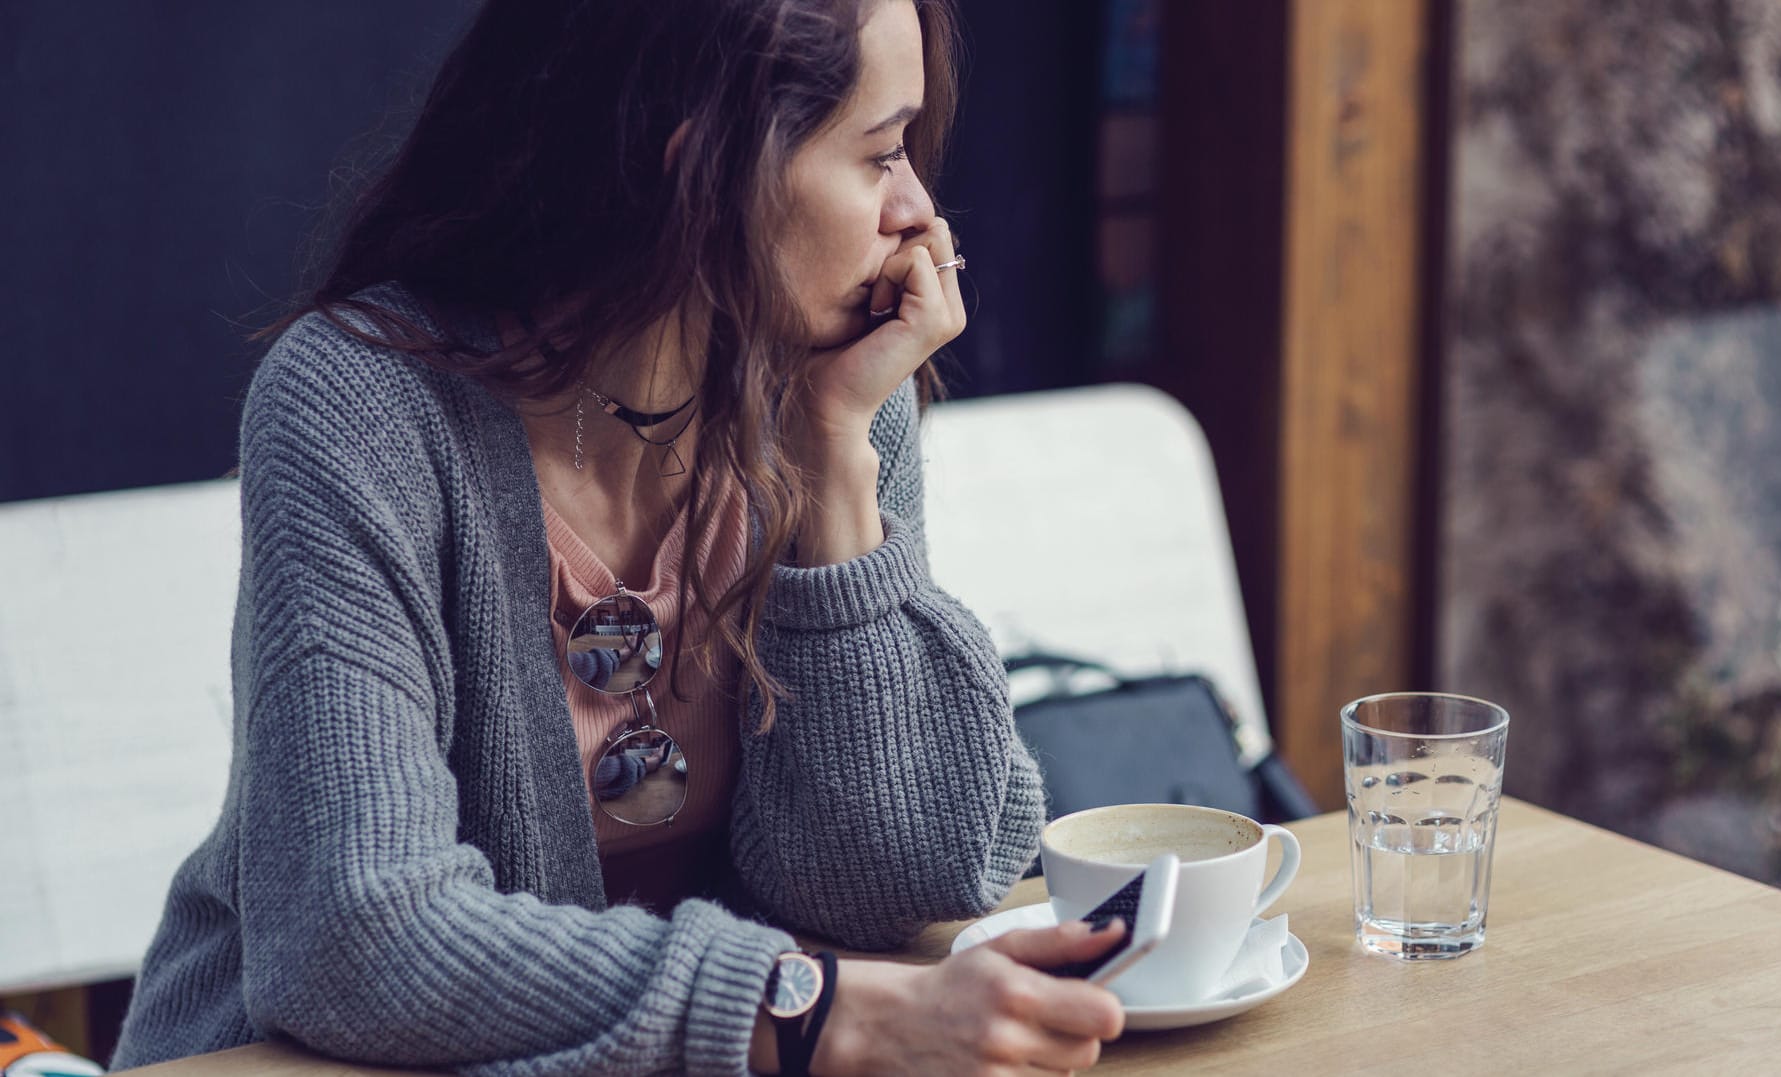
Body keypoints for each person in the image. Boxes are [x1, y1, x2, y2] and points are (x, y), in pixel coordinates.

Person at [108, 1, 1129, 1075]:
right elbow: (356, 936)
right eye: (879, 155)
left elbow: (889, 883)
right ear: (698, 172)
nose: (920, 213)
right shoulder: (360, 406)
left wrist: (833, 463)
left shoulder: (831, 389)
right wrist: (808, 1014)